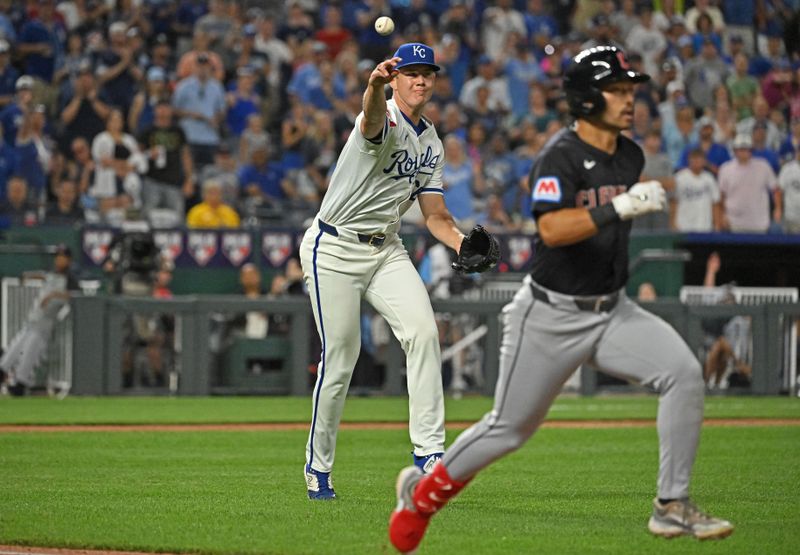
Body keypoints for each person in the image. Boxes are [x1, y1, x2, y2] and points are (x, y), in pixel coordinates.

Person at [388, 46, 734, 554]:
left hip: (611, 310)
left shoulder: (631, 154)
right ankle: (420, 495)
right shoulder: (559, 156)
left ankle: (672, 506)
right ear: (586, 98)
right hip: (551, 314)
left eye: (629, 89)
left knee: (683, 373)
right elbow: (550, 228)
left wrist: (619, 208)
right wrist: (619, 206)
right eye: (616, 90)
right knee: (508, 430)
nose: (628, 98)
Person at [300, 43, 493, 500]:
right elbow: (368, 120)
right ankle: (318, 466)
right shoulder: (382, 117)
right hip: (335, 248)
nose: (421, 80)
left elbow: (435, 216)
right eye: (411, 72)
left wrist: (463, 243)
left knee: (424, 333)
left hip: (386, 249)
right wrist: (372, 85)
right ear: (396, 78)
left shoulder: (431, 142)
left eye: (427, 73)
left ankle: (429, 454)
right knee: (340, 362)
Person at [0, 244, 78, 396]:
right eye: (58, 256)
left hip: (46, 323)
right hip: (34, 319)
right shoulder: (53, 273)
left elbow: (74, 296)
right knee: (14, 348)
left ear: (68, 260)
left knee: (30, 354)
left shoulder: (70, 279)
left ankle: (20, 384)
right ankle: (4, 372)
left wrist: (54, 295)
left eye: (62, 257)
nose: (59, 260)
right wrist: (29, 275)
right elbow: (44, 275)